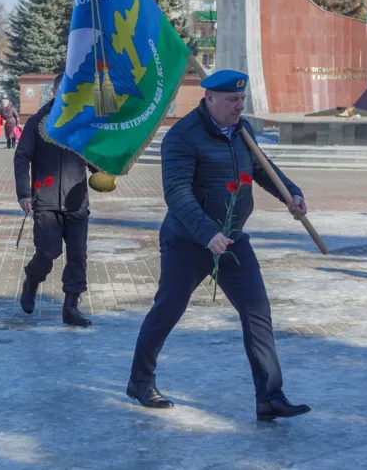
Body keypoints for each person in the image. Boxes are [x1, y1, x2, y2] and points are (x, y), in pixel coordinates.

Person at [126, 70, 312, 421]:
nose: (239, 105)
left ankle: (269, 396)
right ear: (209, 98)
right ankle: (140, 380)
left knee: (257, 311)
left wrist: (291, 193)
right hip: (189, 241)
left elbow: (263, 168)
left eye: (241, 99)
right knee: (168, 309)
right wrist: (206, 233)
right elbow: (177, 193)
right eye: (231, 100)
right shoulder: (183, 136)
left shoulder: (242, 130)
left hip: (233, 239)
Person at [14, 73, 94, 328]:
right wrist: (24, 193)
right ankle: (32, 280)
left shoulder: (83, 121)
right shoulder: (38, 121)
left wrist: (104, 169)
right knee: (48, 252)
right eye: (63, 90)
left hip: (76, 199)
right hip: (45, 199)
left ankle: (71, 306)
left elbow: (93, 154)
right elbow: (21, 157)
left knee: (77, 255)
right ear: (54, 91)